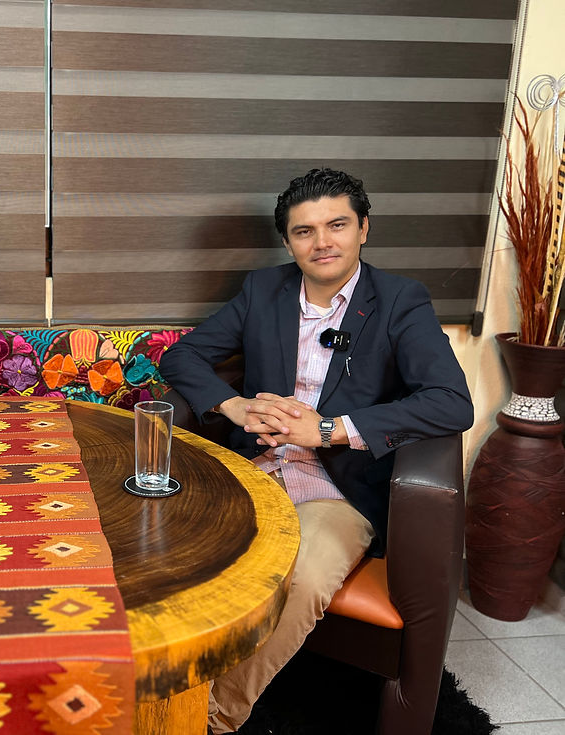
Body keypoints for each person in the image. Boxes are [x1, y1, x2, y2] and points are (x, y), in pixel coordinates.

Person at [159, 168, 473, 733]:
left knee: (304, 576)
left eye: (337, 225)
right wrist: (234, 406)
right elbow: (182, 357)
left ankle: (208, 719)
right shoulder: (263, 290)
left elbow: (451, 402)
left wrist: (328, 429)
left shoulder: (400, 300)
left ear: (364, 229)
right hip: (252, 467)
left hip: (337, 487)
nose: (322, 242)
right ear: (288, 242)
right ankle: (146, 688)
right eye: (304, 231)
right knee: (159, 542)